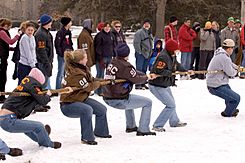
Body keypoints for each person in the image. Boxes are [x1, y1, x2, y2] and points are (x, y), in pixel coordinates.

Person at [103, 43, 157, 136]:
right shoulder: (126, 66)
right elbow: (136, 79)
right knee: (148, 103)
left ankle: (131, 126)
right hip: (119, 99)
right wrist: (147, 77)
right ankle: (143, 129)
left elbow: (133, 73)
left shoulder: (113, 62)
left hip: (107, 96)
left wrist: (145, 75)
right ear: (127, 54)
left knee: (129, 96)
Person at [0, 68, 61, 149]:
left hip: (5, 119)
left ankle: (43, 137)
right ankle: (48, 144)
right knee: (39, 126)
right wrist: (48, 95)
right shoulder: (32, 86)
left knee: (29, 129)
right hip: (9, 120)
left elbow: (37, 96)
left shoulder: (26, 85)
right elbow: (42, 101)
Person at [60, 49, 111, 145]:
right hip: (68, 104)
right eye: (86, 58)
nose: (87, 59)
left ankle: (101, 132)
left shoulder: (83, 68)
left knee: (101, 109)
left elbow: (92, 80)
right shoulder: (76, 73)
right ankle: (87, 138)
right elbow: (89, 87)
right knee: (87, 110)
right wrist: (98, 84)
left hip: (80, 98)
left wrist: (104, 80)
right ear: (80, 60)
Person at [149, 39, 190, 132]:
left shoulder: (172, 55)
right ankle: (157, 125)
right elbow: (158, 70)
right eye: (176, 50)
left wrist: (185, 71)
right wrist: (171, 73)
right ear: (171, 49)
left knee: (172, 103)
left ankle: (174, 121)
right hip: (157, 85)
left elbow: (177, 65)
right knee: (170, 105)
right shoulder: (163, 57)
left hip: (164, 84)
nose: (177, 51)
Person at [206, 39, 240, 117]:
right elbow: (231, 73)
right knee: (236, 98)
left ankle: (231, 109)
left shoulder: (221, 53)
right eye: (232, 48)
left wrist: (237, 67)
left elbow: (230, 64)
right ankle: (228, 113)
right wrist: (237, 71)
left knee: (230, 94)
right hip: (215, 85)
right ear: (229, 48)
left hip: (219, 82)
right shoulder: (224, 57)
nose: (233, 50)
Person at [0, 18, 21, 103]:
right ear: (5, 25)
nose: (10, 27)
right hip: (1, 58)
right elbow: (10, 41)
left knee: (3, 77)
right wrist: (18, 35)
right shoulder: (2, 32)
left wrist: (12, 49)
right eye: (9, 26)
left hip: (3, 56)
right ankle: (1, 96)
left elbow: (4, 45)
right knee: (2, 77)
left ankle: (2, 95)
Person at [94, 22, 116, 95]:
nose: (107, 28)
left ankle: (105, 89)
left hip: (110, 56)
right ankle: (97, 90)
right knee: (100, 74)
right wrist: (100, 59)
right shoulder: (99, 36)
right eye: (106, 27)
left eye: (109, 27)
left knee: (108, 74)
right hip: (101, 58)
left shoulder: (111, 35)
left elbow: (114, 45)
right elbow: (97, 48)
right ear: (103, 27)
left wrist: (115, 54)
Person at [35, 14, 54, 90]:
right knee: (43, 81)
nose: (51, 23)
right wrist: (47, 62)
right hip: (43, 62)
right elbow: (41, 50)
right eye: (50, 22)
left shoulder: (46, 32)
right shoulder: (41, 34)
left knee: (46, 80)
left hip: (47, 60)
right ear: (47, 23)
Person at [133, 19, 153, 89]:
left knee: (144, 69)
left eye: (148, 24)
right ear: (143, 25)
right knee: (139, 69)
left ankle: (143, 83)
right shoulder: (139, 33)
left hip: (148, 54)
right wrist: (139, 52)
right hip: (141, 54)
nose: (147, 25)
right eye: (145, 24)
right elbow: (136, 43)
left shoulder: (149, 33)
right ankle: (138, 84)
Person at [55, 16, 73, 89]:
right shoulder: (60, 32)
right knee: (61, 72)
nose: (71, 23)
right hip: (62, 55)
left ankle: (65, 86)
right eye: (70, 22)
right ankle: (58, 88)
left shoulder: (68, 32)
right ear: (67, 23)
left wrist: (71, 50)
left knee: (67, 72)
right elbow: (57, 44)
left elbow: (70, 43)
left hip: (68, 54)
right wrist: (61, 53)